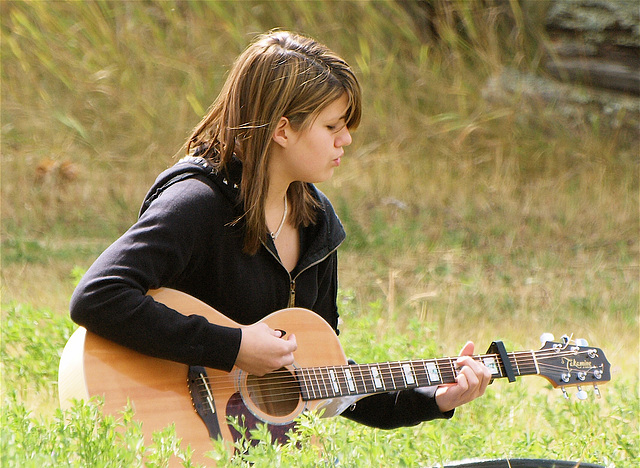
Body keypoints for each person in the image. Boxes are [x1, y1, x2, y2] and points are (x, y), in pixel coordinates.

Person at [70, 30, 490, 432]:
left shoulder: (316, 224)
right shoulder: (196, 204)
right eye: (332, 126)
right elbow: (97, 296)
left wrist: (432, 399)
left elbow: (324, 379)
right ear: (283, 129)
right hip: (170, 430)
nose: (346, 139)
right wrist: (233, 346)